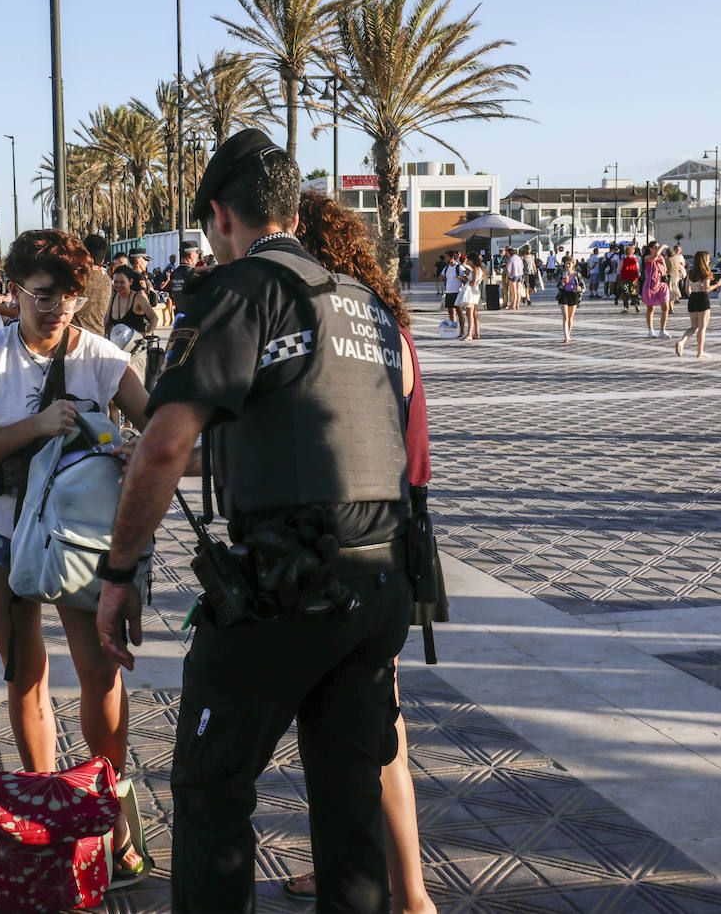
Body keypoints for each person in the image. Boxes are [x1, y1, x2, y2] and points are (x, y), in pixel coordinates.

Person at [95, 129, 414, 913]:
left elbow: (166, 443)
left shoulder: (238, 291)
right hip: (380, 586)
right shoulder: (361, 302)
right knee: (349, 803)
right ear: (291, 212)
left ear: (218, 216)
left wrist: (119, 574)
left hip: (287, 588)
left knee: (211, 786)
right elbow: (329, 431)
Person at [0, 229, 153, 879]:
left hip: (76, 540)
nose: (57, 307)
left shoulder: (104, 360)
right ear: (14, 290)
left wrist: (126, 446)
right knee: (23, 673)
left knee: (99, 672)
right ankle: (48, 812)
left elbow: (159, 434)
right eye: (41, 295)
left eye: (68, 294)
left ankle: (111, 814)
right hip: (0, 535)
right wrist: (37, 425)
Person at [279, 190, 439, 914]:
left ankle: (407, 890)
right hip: (396, 538)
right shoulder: (385, 329)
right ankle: (366, 872)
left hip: (354, 544)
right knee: (364, 723)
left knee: (373, 729)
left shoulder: (336, 334)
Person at [675, 251, 721, 358]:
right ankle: (700, 351)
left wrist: (693, 294)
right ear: (704, 260)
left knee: (694, 326)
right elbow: (706, 289)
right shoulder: (706, 273)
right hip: (702, 299)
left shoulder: (691, 272)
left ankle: (682, 342)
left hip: (692, 298)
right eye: (708, 259)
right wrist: (717, 285)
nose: (709, 260)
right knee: (702, 327)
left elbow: (687, 289)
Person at [74, 234, 112, 336]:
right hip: (98, 336)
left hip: (75, 337)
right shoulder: (106, 280)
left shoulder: (75, 277)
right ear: (102, 260)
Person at [640, 241, 670, 338]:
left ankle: (663, 330)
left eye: (658, 247)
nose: (658, 249)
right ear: (650, 249)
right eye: (656, 247)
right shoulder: (647, 258)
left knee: (666, 307)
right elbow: (655, 255)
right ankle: (650, 329)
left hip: (661, 285)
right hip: (651, 286)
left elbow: (665, 271)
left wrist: (663, 262)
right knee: (650, 308)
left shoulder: (660, 258)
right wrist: (663, 247)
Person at [167, 239, 201, 311]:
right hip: (193, 317)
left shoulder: (174, 274)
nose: (198, 256)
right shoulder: (194, 274)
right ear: (190, 255)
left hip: (179, 317)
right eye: (197, 253)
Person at [556, 256, 584, 343]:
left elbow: (583, 286)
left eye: (569, 263)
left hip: (573, 295)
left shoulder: (577, 274)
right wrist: (562, 284)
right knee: (565, 316)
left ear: (573, 264)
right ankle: (566, 336)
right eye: (566, 263)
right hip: (564, 295)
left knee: (570, 317)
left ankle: (568, 333)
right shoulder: (562, 274)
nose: (568, 265)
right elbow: (558, 286)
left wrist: (579, 288)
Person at [460, 252, 485, 340]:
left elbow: (473, 283)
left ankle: (469, 334)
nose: (468, 262)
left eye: (469, 260)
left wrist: (464, 279)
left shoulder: (475, 269)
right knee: (474, 314)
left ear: (472, 260)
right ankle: (476, 333)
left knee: (469, 313)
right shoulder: (479, 269)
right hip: (475, 291)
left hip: (472, 292)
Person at [440, 250, 467, 329]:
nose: (445, 259)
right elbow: (441, 277)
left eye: (447, 257)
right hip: (448, 292)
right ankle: (453, 328)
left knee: (459, 312)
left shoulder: (459, 267)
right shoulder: (446, 268)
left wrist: (460, 277)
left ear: (452, 257)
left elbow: (465, 278)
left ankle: (462, 330)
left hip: (457, 292)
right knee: (451, 312)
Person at [617, 245, 641, 313]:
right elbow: (637, 269)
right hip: (633, 278)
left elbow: (619, 269)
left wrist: (619, 273)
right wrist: (638, 274)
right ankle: (636, 305)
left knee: (625, 292)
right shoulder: (635, 260)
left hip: (624, 278)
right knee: (634, 292)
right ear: (632, 252)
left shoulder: (623, 260)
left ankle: (626, 307)